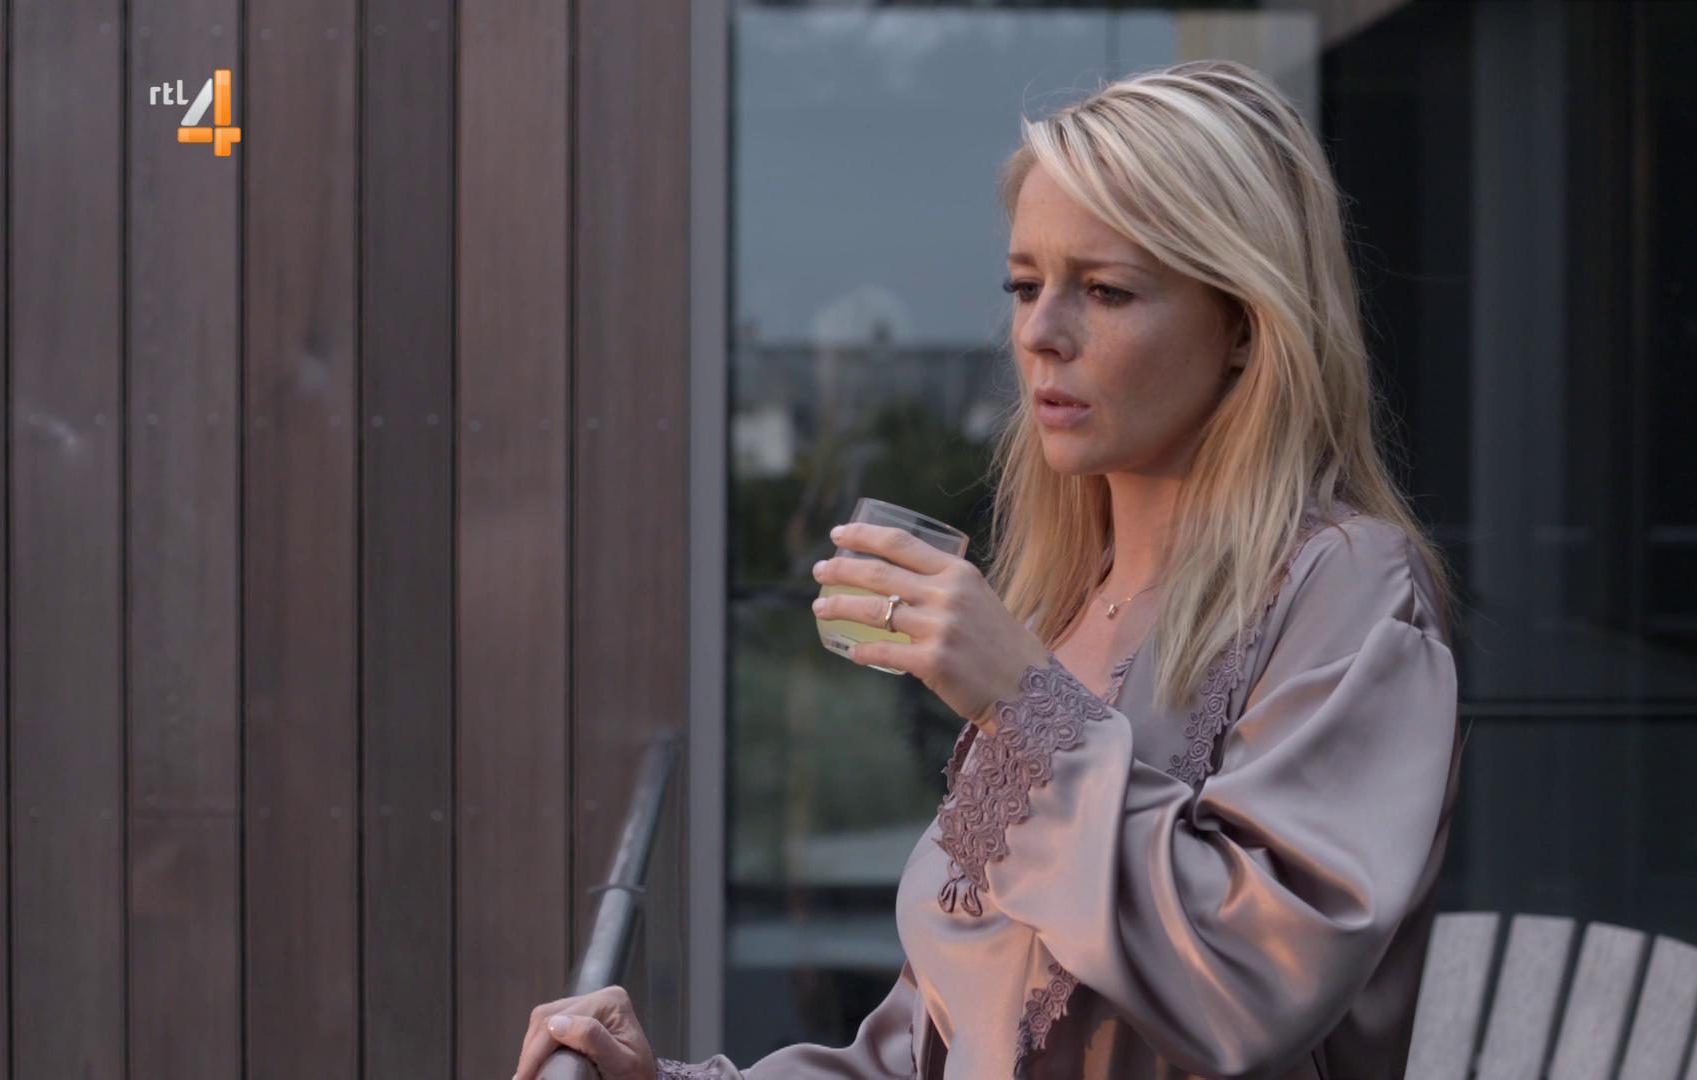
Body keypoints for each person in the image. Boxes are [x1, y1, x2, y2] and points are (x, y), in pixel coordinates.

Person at [514, 58, 1465, 1080]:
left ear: (1243, 325)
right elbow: (927, 1047)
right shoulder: (1063, 607)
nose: (1040, 333)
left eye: (1105, 290)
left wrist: (1022, 704)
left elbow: (1255, 982)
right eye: (1025, 285)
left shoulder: (1348, 590)